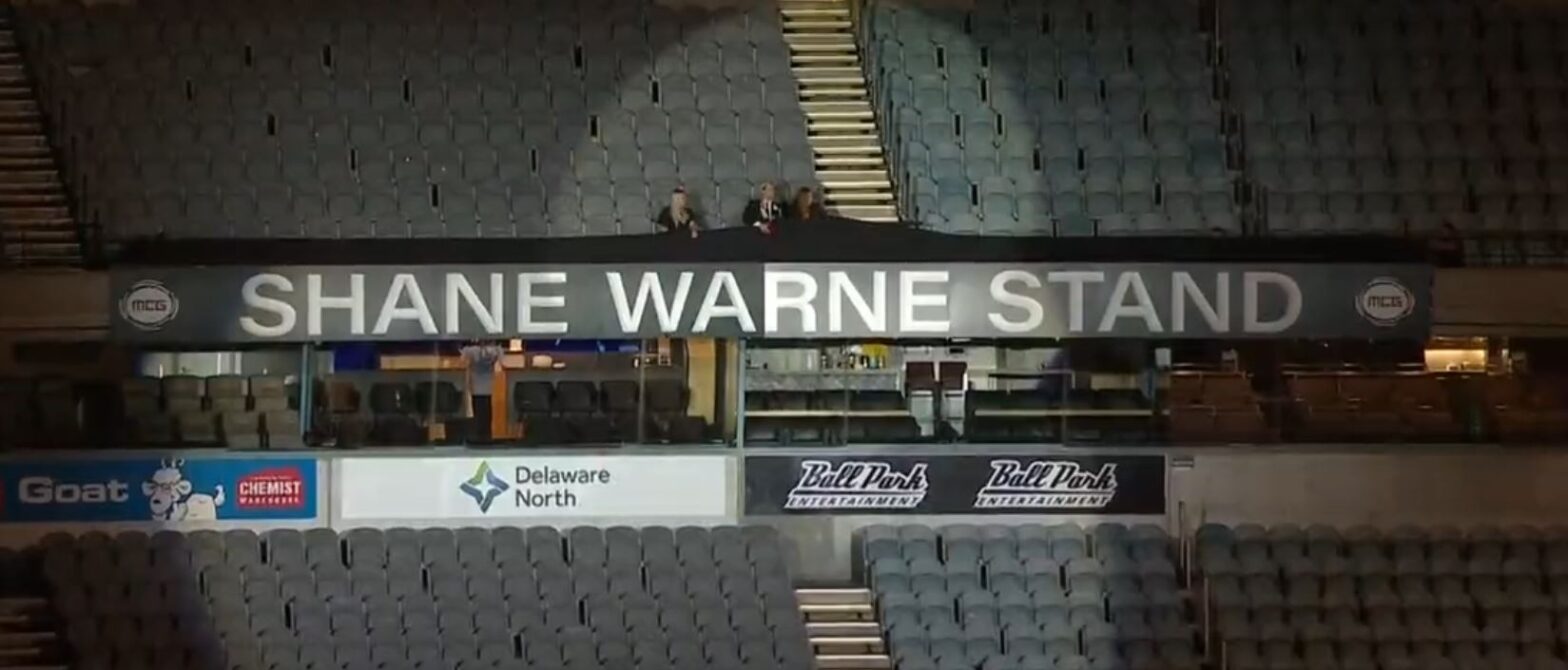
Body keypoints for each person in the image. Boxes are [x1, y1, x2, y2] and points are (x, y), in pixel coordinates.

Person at [460, 340, 505, 442]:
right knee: (481, 408)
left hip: (485, 385)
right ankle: (483, 436)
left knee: (483, 408)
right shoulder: (474, 350)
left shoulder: (471, 350)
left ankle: (483, 436)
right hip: (479, 385)